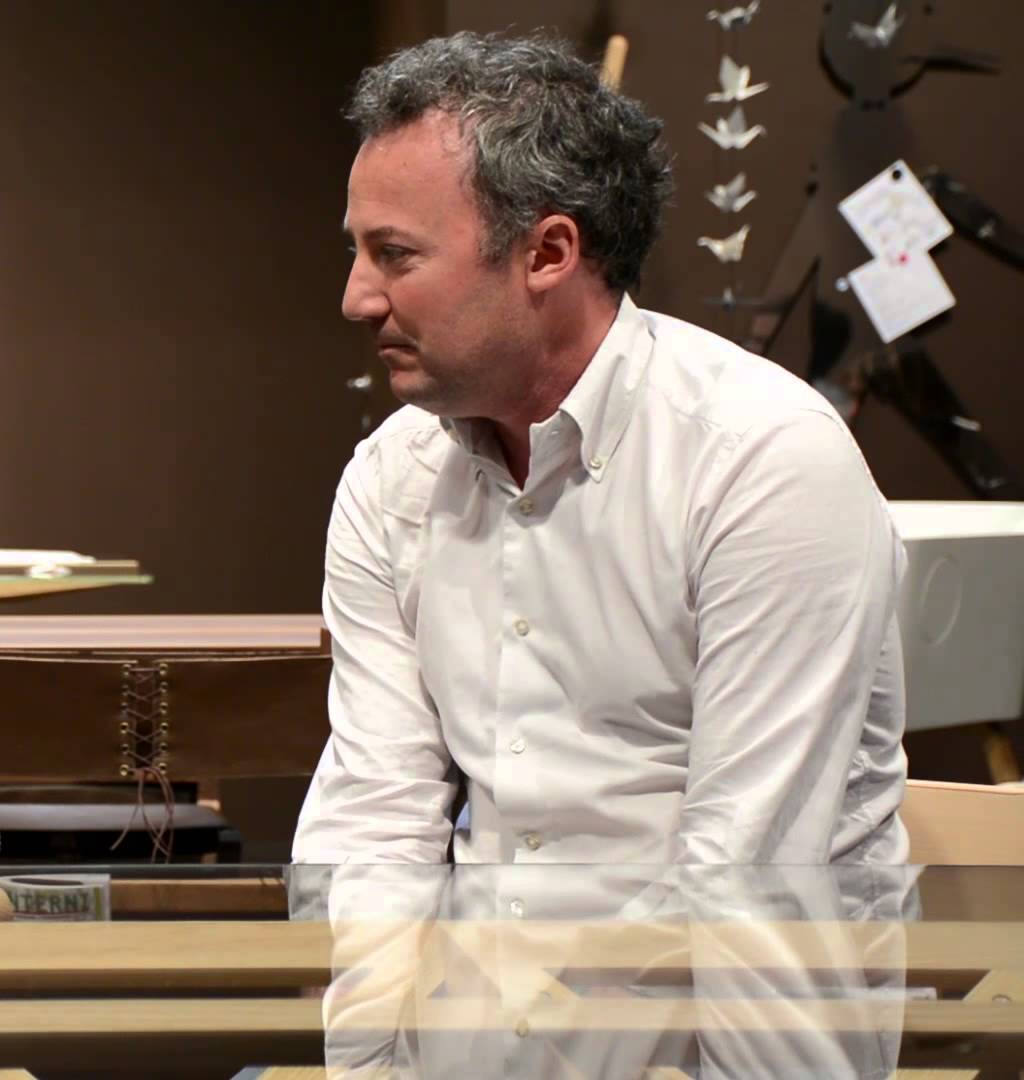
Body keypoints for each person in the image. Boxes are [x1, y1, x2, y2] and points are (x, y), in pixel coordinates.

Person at [292, 32, 908, 866]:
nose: (356, 299)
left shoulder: (762, 460)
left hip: (739, 947)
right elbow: (374, 819)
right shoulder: (392, 476)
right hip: (489, 954)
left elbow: (745, 865)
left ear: (548, 253)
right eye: (357, 252)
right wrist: (366, 952)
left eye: (394, 255)